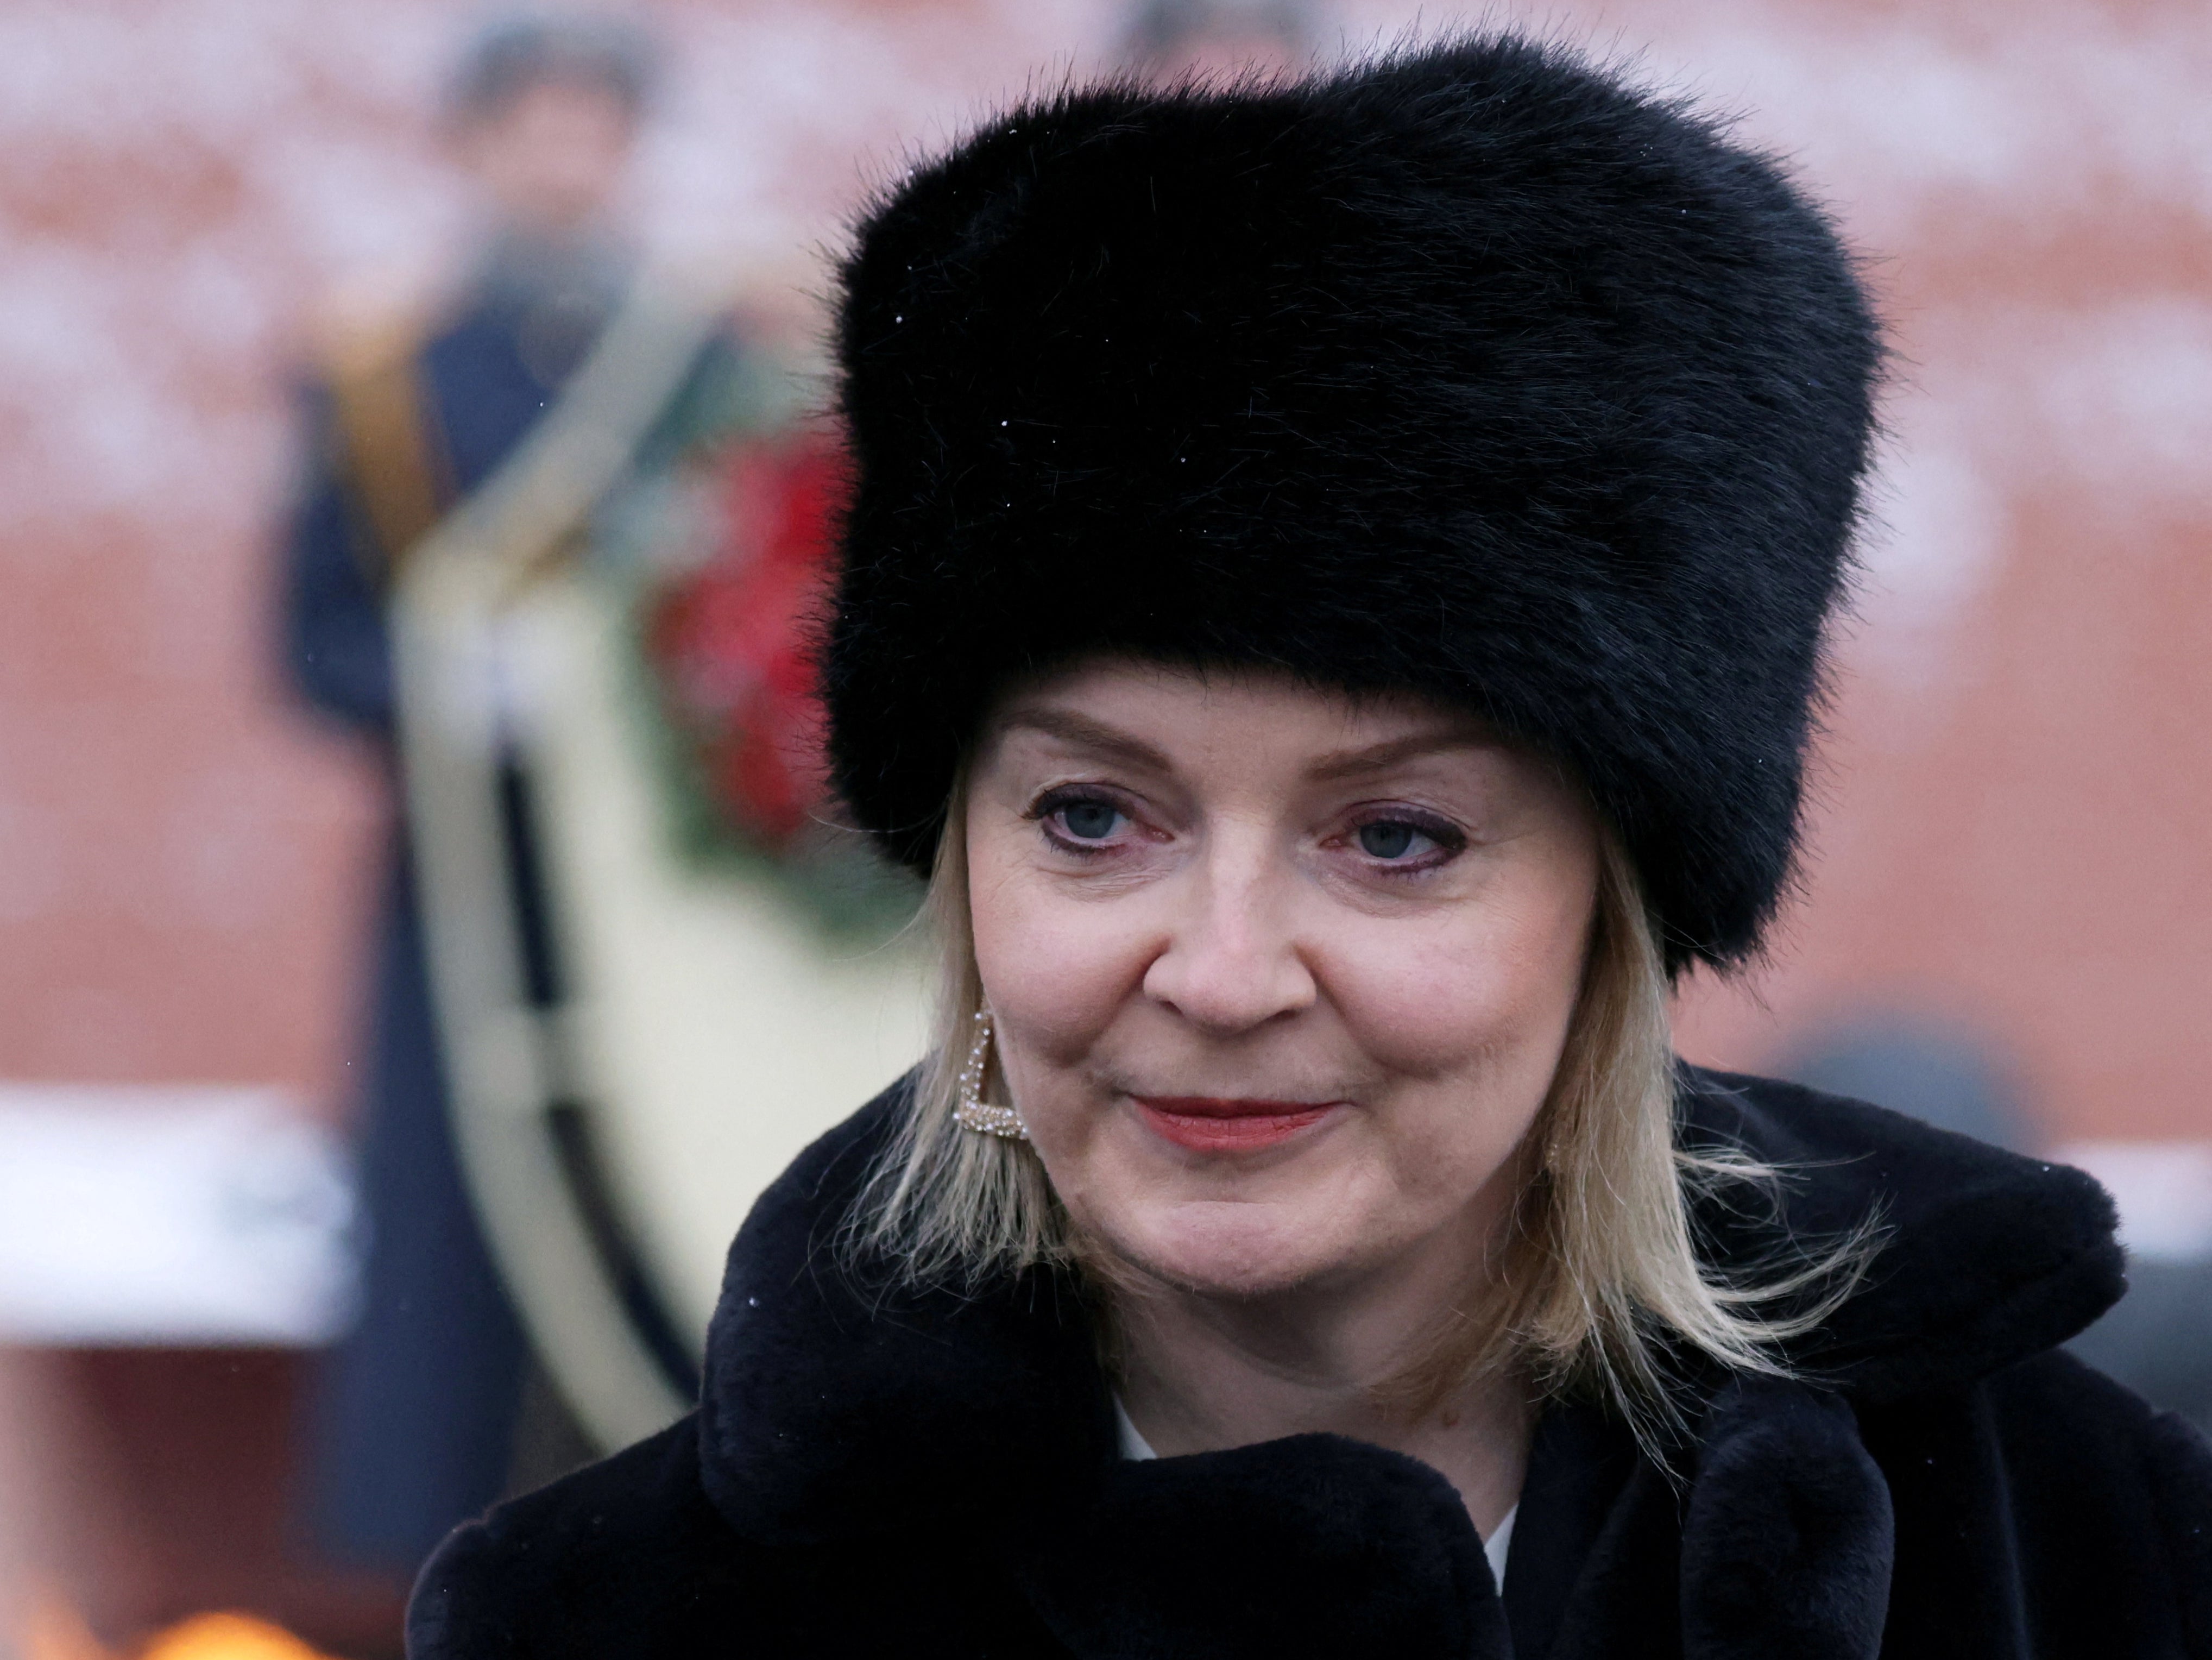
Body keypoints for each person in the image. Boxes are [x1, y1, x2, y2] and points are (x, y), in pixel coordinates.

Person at [406, 36, 2212, 1656]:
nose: (1219, 971)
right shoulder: (625, 1617)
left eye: (1396, 837)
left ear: (1615, 901)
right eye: (1093, 817)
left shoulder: (2070, 1538)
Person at [282, 14, 753, 1568]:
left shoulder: (703, 362)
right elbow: (315, 639)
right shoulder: (385, 375)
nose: (563, 161)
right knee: (454, 1258)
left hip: (670, 897)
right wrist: (444, 689)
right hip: (469, 889)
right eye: (532, 127)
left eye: (591, 128)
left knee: (678, 1223)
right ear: (476, 148)